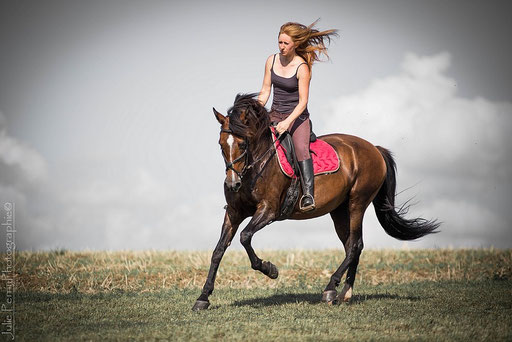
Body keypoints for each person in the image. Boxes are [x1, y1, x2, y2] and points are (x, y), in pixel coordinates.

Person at [257, 21, 338, 212]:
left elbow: (302, 103)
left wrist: (287, 123)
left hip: (297, 118)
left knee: (301, 149)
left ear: (295, 44)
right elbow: (265, 90)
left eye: (286, 43)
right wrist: (256, 109)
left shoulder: (302, 67)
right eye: (280, 42)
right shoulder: (272, 60)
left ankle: (308, 194)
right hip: (274, 113)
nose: (282, 47)